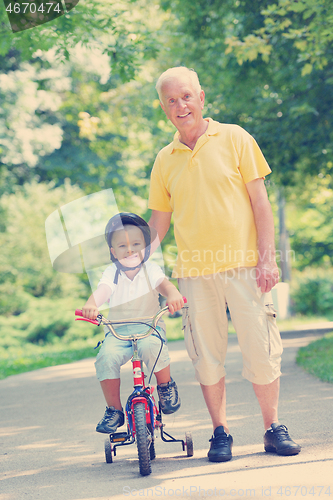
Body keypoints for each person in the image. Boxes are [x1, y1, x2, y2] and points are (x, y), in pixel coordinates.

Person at [148, 66, 301, 462]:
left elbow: (260, 203)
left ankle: (272, 428)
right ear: (164, 108)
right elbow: (158, 222)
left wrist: (267, 259)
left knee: (262, 348)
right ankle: (221, 432)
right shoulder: (165, 159)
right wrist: (133, 261)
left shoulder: (235, 138)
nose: (181, 105)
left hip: (246, 268)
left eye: (186, 96)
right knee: (206, 355)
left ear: (201, 96)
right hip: (194, 274)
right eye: (172, 100)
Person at [82, 212, 184, 434]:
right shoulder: (112, 273)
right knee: (105, 357)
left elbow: (165, 285)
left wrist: (173, 294)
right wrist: (92, 304)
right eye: (122, 246)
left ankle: (165, 386)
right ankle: (114, 410)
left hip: (149, 327)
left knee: (152, 347)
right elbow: (103, 291)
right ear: (113, 251)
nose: (129, 250)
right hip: (118, 331)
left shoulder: (151, 270)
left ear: (146, 248)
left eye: (136, 244)